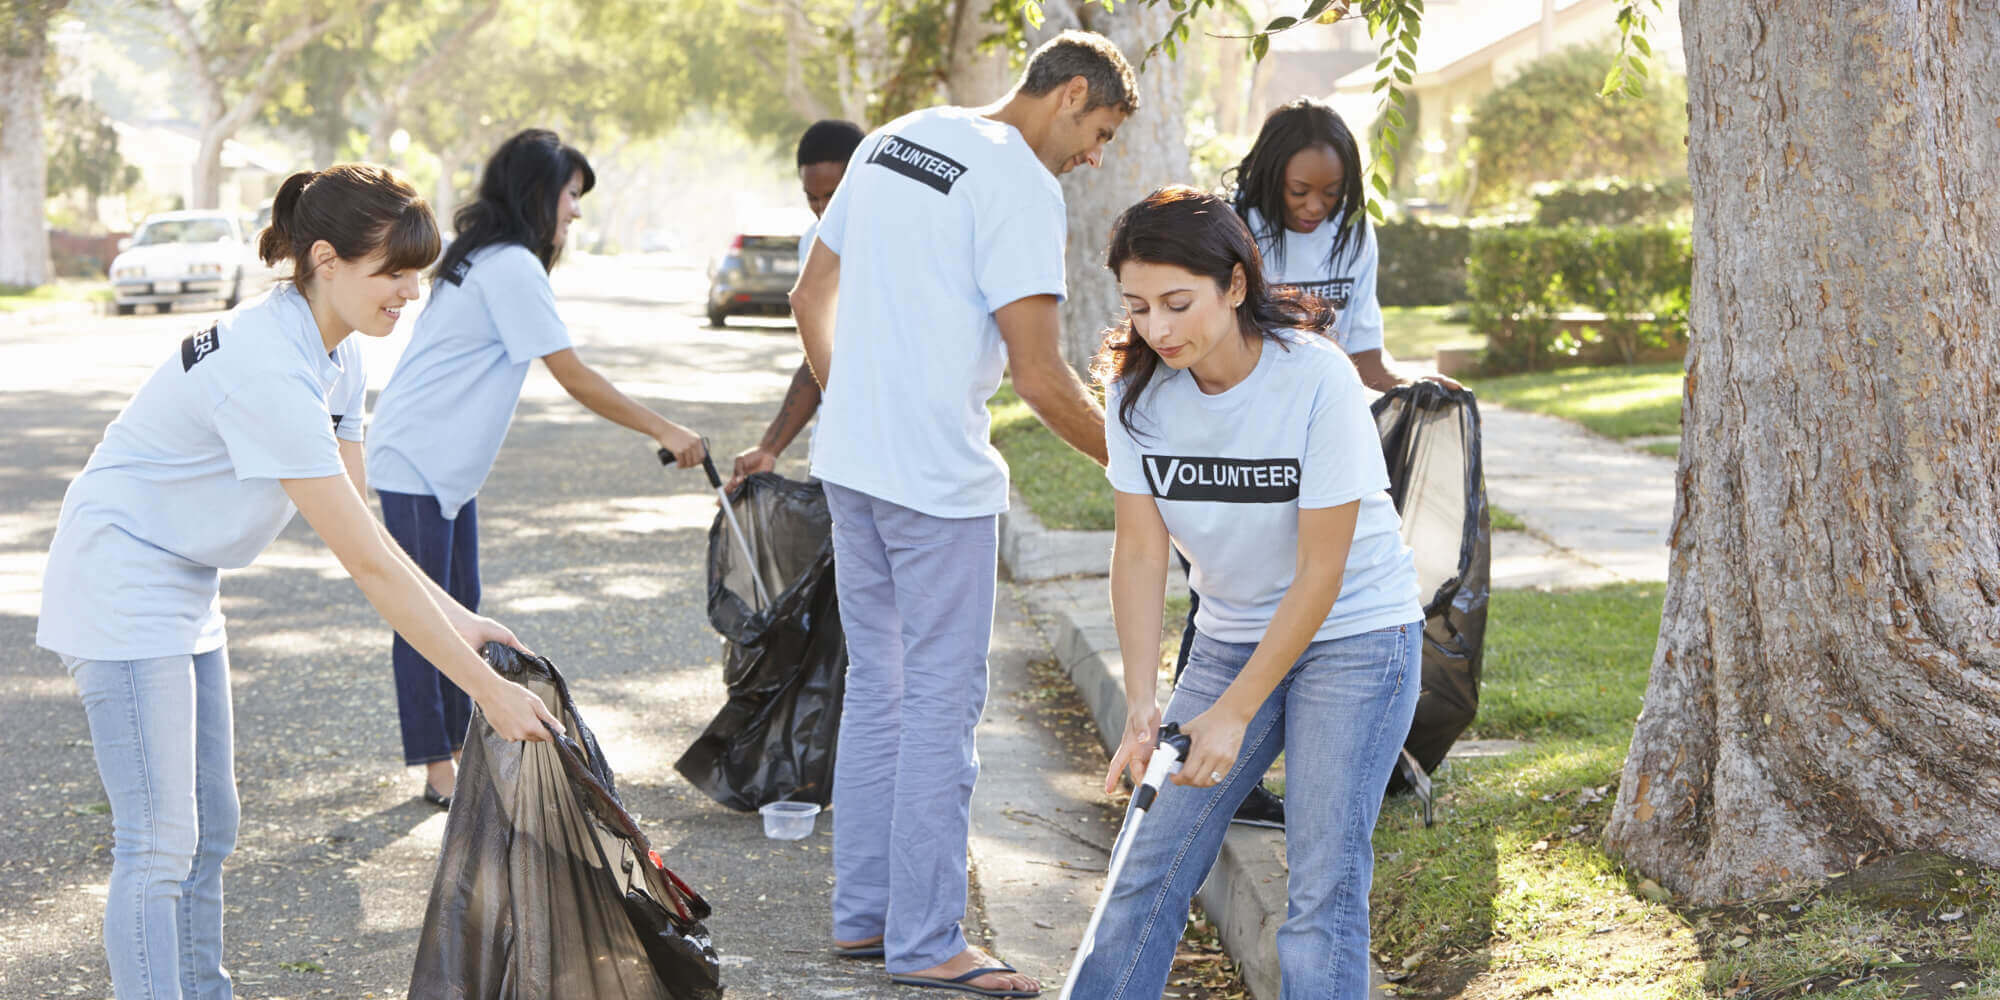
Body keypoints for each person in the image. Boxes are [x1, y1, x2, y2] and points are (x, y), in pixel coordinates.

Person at [36, 164, 562, 1000]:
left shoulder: (336, 351)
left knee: (211, 833)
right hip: (120, 575)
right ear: (325, 259)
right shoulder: (266, 367)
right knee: (159, 841)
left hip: (185, 578)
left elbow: (365, 522)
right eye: (392, 272)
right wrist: (484, 696)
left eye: (415, 273)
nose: (410, 293)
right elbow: (360, 563)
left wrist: (458, 618)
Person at [787, 29, 1137, 999]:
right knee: (939, 708)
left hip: (850, 465)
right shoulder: (1020, 184)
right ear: (1067, 95)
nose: (1094, 156)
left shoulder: (898, 136)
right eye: (1100, 130)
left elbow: (808, 291)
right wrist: (1147, 467)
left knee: (882, 692)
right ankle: (930, 938)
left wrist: (851, 396)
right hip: (934, 487)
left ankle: (867, 917)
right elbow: (1039, 376)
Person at [1069, 186, 1423, 1000]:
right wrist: (1141, 699)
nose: (1158, 328)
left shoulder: (1316, 379)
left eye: (1178, 303)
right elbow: (1141, 551)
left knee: (1322, 885)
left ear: (1234, 285)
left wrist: (1233, 710)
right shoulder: (1136, 394)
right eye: (1139, 305)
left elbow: (1322, 571)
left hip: (1357, 637)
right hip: (1230, 636)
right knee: (1147, 862)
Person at [365, 129, 704, 807]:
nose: (575, 212)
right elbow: (572, 375)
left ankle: (460, 753)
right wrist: (665, 427)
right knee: (425, 616)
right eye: (571, 195)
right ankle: (439, 769)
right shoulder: (510, 265)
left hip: (440, 464)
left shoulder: (489, 256)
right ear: (538, 193)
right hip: (417, 459)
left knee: (461, 612)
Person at [727, 118, 867, 492]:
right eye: (812, 198)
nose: (822, 210)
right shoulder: (814, 242)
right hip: (835, 458)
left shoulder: (900, 242)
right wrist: (770, 447)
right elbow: (816, 357)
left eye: (832, 196)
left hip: (896, 459)